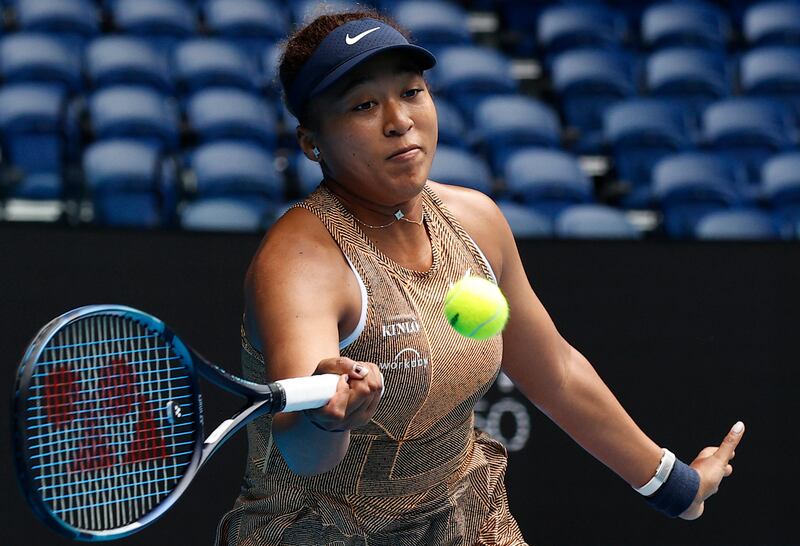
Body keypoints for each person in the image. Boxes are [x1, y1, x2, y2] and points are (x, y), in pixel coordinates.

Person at [216, 10, 744, 546]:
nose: (399, 120)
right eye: (364, 105)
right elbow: (303, 453)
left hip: (466, 524)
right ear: (312, 142)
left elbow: (555, 372)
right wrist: (330, 418)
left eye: (412, 91)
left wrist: (674, 485)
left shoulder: (474, 221)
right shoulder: (302, 261)